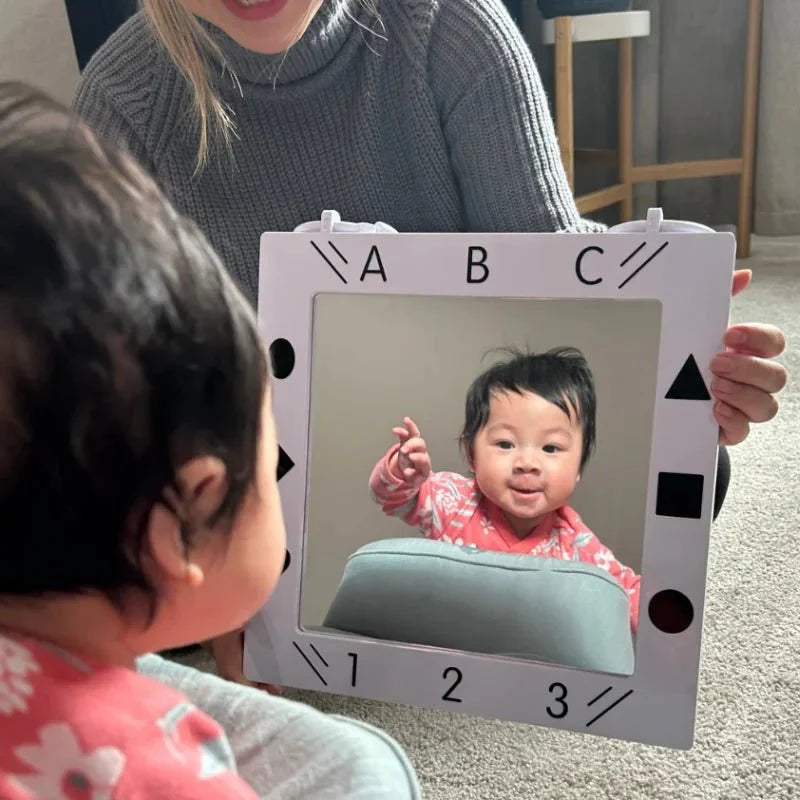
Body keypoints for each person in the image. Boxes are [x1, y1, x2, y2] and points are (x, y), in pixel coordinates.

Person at [72, 0, 787, 684]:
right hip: (230, 456)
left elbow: (551, 254)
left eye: (544, 449)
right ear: (471, 446)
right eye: (505, 443)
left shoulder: (451, 29)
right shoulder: (122, 100)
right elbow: (112, 389)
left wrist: (682, 334)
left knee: (697, 471)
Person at [0, 81, 420, 799]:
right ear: (186, 523)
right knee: (369, 773)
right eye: (270, 451)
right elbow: (413, 509)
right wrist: (404, 478)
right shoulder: (156, 764)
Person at [370, 347, 641, 630]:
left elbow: (628, 595)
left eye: (550, 448)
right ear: (471, 454)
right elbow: (389, 497)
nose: (527, 463)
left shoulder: (577, 545)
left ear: (578, 467)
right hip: (445, 649)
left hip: (527, 663)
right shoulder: (452, 501)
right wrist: (403, 472)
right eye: (505, 444)